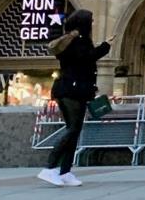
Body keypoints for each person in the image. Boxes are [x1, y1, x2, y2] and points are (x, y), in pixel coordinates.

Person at [37, 10, 111, 187]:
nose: (92, 24)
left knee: (75, 130)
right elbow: (85, 59)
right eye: (90, 21)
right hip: (71, 91)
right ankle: (50, 167)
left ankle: (65, 171)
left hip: (73, 90)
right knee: (72, 129)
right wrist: (104, 47)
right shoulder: (77, 41)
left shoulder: (70, 39)